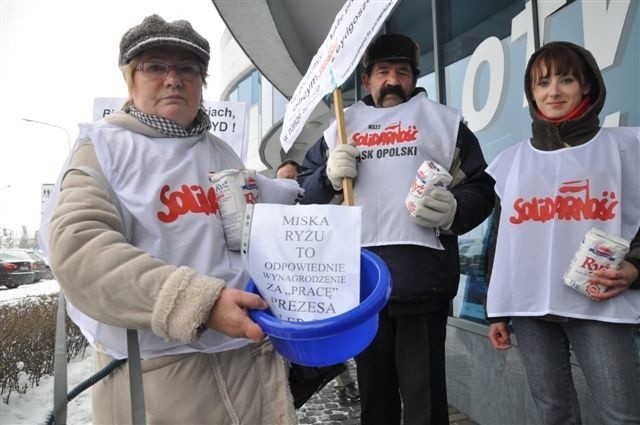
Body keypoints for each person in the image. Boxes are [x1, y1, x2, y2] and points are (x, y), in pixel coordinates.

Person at [42, 15, 297, 424]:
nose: (173, 79)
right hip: (161, 383)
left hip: (247, 367)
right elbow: (79, 251)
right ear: (130, 80)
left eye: (188, 68)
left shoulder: (221, 153)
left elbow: (253, 231)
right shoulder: (103, 148)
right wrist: (200, 302)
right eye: (155, 66)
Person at [298, 33, 495, 425]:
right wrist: (327, 179)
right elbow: (301, 192)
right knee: (376, 400)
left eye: (401, 72)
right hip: (361, 286)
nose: (392, 80)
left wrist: (455, 209)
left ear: (414, 77)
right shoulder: (340, 125)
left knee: (425, 404)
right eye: (382, 71)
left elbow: (482, 188)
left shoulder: (443, 122)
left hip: (422, 281)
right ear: (367, 79)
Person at [485, 41, 640, 424]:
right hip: (530, 307)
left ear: (587, 86)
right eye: (542, 83)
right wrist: (497, 311)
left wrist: (636, 266)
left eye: (566, 79)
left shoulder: (627, 148)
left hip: (600, 303)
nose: (553, 91)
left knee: (621, 414)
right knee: (553, 413)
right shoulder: (510, 161)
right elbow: (501, 242)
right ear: (531, 93)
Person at [275, 158, 361, 403]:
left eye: (291, 178)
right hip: (292, 291)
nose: (286, 184)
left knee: (327, 339)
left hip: (324, 286)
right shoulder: (276, 215)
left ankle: (347, 383)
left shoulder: (324, 205)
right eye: (280, 180)